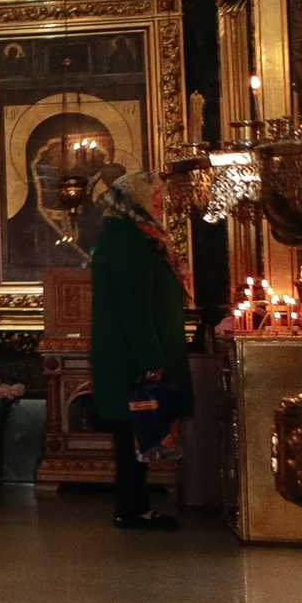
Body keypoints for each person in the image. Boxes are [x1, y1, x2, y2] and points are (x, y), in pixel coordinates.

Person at [89, 170, 187, 531]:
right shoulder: (127, 243)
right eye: (154, 196)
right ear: (134, 202)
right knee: (133, 433)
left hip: (133, 356)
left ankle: (134, 505)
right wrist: (152, 360)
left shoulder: (132, 237)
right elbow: (135, 309)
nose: (161, 202)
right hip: (134, 359)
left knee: (136, 433)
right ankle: (132, 508)